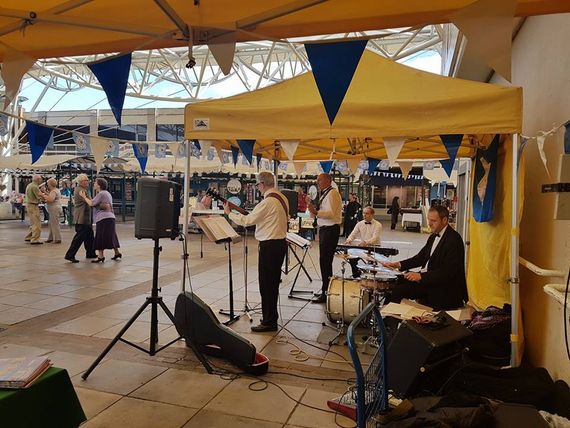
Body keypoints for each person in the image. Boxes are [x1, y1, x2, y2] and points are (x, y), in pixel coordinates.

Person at [224, 172, 288, 332]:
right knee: (272, 284)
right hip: (279, 244)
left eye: (257, 185)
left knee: (266, 285)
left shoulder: (267, 202)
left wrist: (229, 213)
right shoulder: (282, 198)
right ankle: (270, 317)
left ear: (262, 184)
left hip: (270, 246)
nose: (257, 188)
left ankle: (269, 322)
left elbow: (248, 221)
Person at [382, 205, 468, 310]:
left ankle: (391, 323)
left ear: (445, 220)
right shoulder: (433, 236)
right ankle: (385, 319)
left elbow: (448, 272)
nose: (430, 224)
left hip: (443, 287)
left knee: (398, 291)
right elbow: (420, 257)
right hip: (429, 279)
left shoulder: (454, 240)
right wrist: (398, 264)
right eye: (429, 220)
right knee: (394, 282)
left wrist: (421, 276)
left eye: (433, 221)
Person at [306, 173, 343, 303]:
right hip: (325, 229)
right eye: (317, 181)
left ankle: (326, 292)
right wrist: (312, 208)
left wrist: (316, 212)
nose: (318, 183)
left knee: (325, 262)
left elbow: (331, 213)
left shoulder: (332, 193)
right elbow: (321, 212)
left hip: (330, 229)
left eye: (320, 180)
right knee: (324, 262)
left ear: (328, 180)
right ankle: (325, 290)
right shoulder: (325, 193)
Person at [79, 177, 121, 263]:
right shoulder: (107, 193)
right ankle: (117, 253)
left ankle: (101, 256)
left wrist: (84, 197)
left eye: (95, 183)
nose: (94, 184)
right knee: (111, 235)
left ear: (99, 185)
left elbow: (91, 203)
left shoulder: (101, 194)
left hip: (103, 218)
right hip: (110, 217)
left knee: (100, 237)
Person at [64, 174, 97, 263]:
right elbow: (91, 202)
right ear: (81, 182)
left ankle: (90, 253)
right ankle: (70, 255)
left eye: (87, 180)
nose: (88, 181)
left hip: (86, 217)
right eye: (85, 180)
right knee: (79, 237)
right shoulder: (81, 190)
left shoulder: (85, 189)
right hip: (82, 218)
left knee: (89, 237)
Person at [344, 206, 383, 278]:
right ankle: (356, 276)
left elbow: (375, 238)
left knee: (372, 266)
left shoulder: (378, 225)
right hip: (363, 247)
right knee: (352, 259)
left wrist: (365, 242)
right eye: (364, 213)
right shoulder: (360, 224)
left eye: (367, 213)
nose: (364, 215)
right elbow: (353, 233)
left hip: (374, 248)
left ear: (372, 214)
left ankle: (372, 279)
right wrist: (349, 239)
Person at [24, 175, 44, 245]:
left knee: (32, 222)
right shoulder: (35, 187)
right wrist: (43, 194)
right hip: (33, 205)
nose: (41, 180)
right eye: (41, 179)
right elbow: (39, 196)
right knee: (37, 223)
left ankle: (29, 237)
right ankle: (35, 239)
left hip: (29, 205)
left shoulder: (29, 185)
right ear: (38, 179)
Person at [42, 178, 63, 244]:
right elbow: (50, 196)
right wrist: (45, 193)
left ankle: (57, 238)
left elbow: (51, 199)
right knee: (51, 223)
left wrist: (42, 195)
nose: (47, 185)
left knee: (54, 224)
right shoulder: (55, 190)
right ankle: (50, 238)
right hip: (54, 208)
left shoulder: (54, 191)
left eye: (47, 184)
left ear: (50, 184)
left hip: (54, 209)